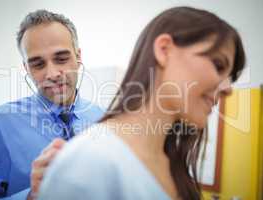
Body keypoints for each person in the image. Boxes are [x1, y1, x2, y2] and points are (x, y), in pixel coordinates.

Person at [38, 6, 245, 200]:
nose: (227, 89)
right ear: (164, 50)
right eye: (218, 65)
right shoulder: (87, 162)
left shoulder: (175, 166)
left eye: (230, 77)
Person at [0, 10, 103, 199]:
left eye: (61, 59)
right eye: (38, 64)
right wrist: (32, 196)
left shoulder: (104, 120)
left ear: (78, 57)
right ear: (26, 69)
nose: (52, 74)